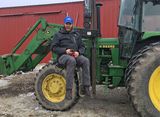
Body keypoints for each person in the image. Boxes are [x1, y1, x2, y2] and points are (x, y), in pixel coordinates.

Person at [50, 16, 92, 100]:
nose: (68, 25)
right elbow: (53, 48)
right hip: (63, 56)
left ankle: (86, 87)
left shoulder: (76, 34)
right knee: (71, 61)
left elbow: (82, 47)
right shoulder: (58, 35)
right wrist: (65, 51)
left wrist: (78, 52)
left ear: (72, 24)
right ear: (64, 24)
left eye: (69, 24)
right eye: (67, 24)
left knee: (85, 61)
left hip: (74, 55)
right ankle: (68, 90)